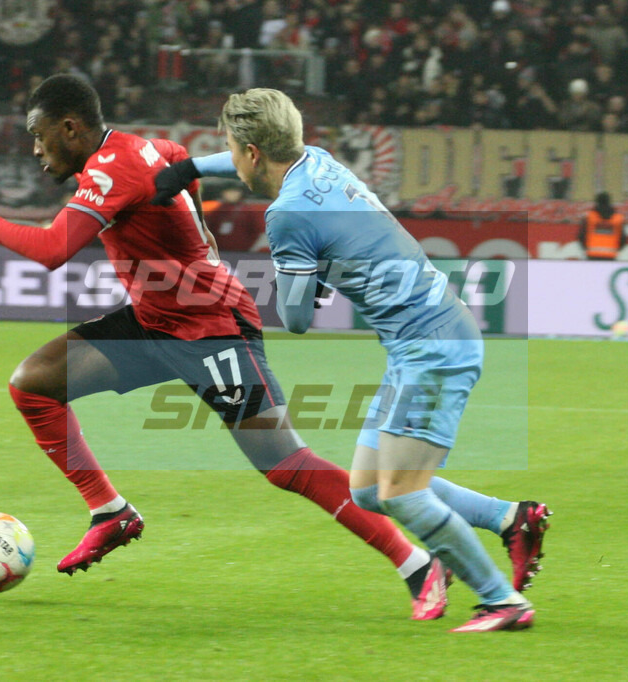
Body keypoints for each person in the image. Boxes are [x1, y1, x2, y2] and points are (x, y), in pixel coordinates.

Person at [0, 74, 450, 620]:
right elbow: (178, 167)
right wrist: (198, 239)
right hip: (154, 321)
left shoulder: (112, 167)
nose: (35, 149)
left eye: (39, 135)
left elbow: (54, 248)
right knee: (34, 384)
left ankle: (418, 563)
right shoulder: (143, 149)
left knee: (285, 462)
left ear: (70, 128)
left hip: (211, 328)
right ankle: (110, 512)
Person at [152, 88, 550, 633]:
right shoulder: (317, 161)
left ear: (252, 153)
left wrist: (306, 279)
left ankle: (502, 602)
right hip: (423, 340)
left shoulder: (287, 215)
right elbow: (251, 159)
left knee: (402, 492)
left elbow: (295, 319)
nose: (233, 160)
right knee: (367, 488)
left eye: (233, 150)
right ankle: (511, 519)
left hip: (432, 347)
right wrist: (192, 169)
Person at [579, 192, 627, 260]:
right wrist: (617, 249)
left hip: (592, 254)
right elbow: (623, 238)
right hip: (611, 255)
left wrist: (586, 248)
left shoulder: (589, 216)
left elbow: (581, 235)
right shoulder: (618, 218)